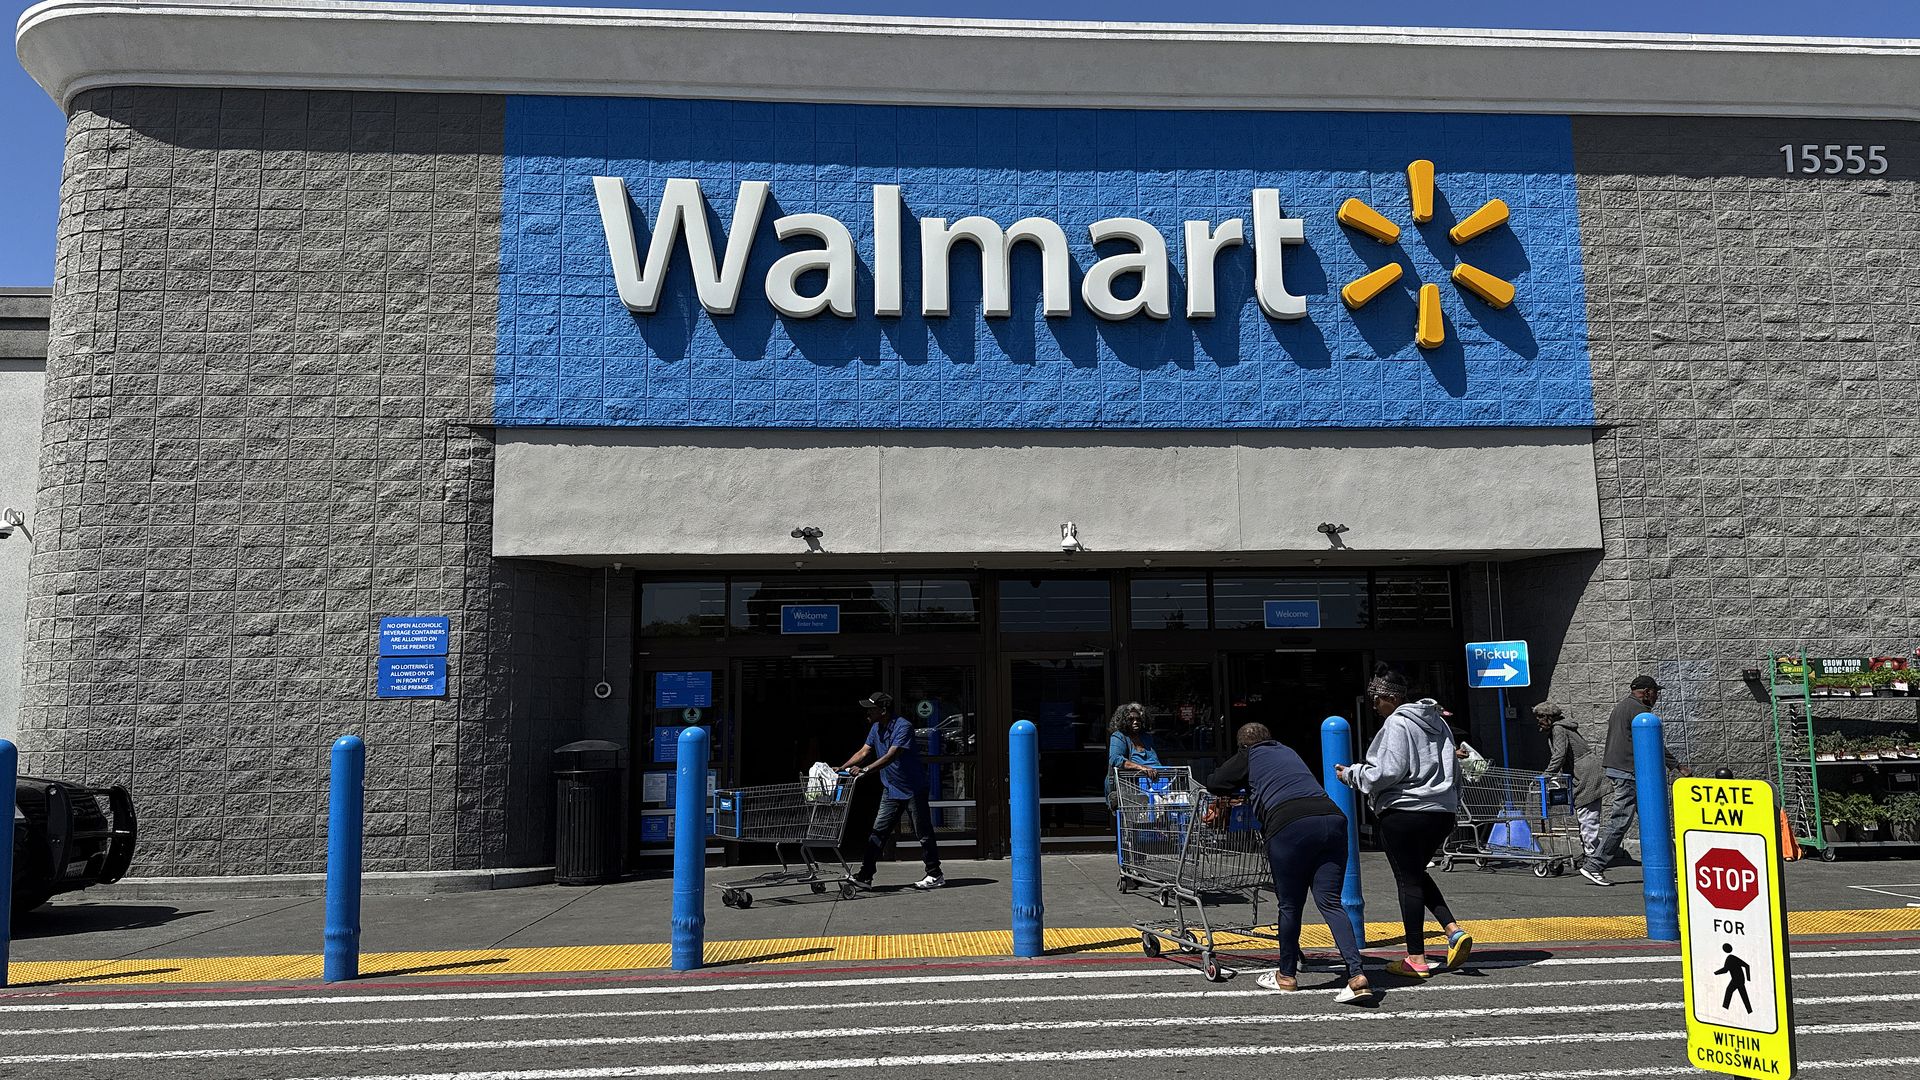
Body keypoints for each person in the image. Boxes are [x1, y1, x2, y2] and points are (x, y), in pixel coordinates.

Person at [1203, 723, 1373, 1004]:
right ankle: (1356, 975)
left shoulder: (1251, 754)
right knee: (1330, 902)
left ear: (1243, 746)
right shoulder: (1287, 751)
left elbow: (1215, 782)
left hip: (1289, 826)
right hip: (1331, 817)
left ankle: (1286, 975)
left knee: (1290, 905)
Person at [1336, 664, 1473, 979]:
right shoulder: (1438, 722)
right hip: (1441, 812)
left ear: (1388, 697)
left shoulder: (1397, 724)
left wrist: (1351, 774)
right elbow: (1452, 765)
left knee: (1407, 881)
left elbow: (1388, 771)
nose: (1374, 707)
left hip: (1406, 811)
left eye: (1375, 700)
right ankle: (1453, 931)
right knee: (1415, 874)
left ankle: (1416, 958)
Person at [1581, 675, 1686, 887]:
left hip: (1620, 769)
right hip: (1630, 772)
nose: (1657, 696)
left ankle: (1674, 869)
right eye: (1655, 692)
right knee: (1621, 820)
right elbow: (1653, 743)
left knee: (1656, 819)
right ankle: (1595, 865)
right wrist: (1676, 765)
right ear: (1646, 692)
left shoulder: (1622, 707)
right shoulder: (1640, 712)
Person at [839, 690, 943, 890]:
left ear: (883, 710)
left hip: (913, 789)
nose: (867, 713)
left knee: (923, 833)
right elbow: (864, 751)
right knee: (878, 832)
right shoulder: (876, 727)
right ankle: (865, 876)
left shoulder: (903, 726)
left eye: (871, 709)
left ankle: (935, 874)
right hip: (891, 790)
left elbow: (891, 755)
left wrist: (866, 770)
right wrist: (842, 768)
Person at [1536, 702, 1605, 859]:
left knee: (1587, 814)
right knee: (1587, 813)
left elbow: (1559, 755)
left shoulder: (1558, 729)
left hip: (1586, 774)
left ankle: (1592, 855)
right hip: (1585, 771)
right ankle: (1590, 852)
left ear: (1548, 717)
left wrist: (1546, 775)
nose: (1538, 721)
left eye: (1540, 717)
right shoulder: (1563, 727)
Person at [1105, 702, 1163, 809]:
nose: (1135, 722)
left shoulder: (1146, 738)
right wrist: (1142, 768)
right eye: (1131, 719)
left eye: (1138, 719)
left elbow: (1155, 761)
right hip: (1131, 789)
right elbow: (1115, 759)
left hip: (1155, 787)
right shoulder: (1119, 736)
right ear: (1123, 721)